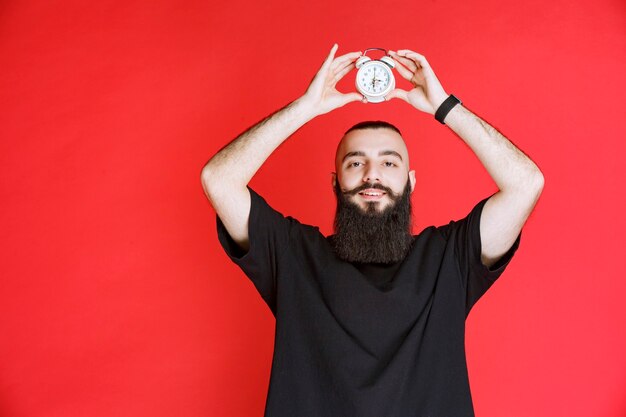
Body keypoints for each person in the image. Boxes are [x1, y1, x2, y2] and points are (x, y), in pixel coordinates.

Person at [201, 44, 544, 417]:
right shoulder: (293, 255)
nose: (372, 174)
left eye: (389, 162)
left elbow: (526, 184)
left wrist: (445, 107)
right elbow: (218, 180)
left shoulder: (451, 258)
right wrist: (305, 108)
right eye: (356, 162)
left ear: (410, 182)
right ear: (335, 182)